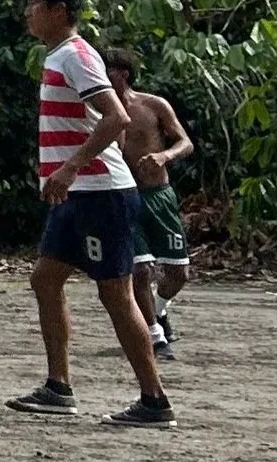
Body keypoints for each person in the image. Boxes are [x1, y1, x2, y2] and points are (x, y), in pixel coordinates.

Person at [5, 0, 174, 429]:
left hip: (100, 193)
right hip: (77, 195)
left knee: (115, 294)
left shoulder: (77, 55)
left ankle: (154, 400)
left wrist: (70, 165)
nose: (28, 13)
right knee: (45, 278)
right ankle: (58, 387)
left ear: (59, 10)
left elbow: (115, 117)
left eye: (35, 4)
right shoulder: (60, 56)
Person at [105, 47, 195, 361]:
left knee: (178, 272)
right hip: (125, 196)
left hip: (159, 196)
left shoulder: (153, 105)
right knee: (140, 268)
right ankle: (155, 336)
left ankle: (158, 310)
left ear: (123, 74)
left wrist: (164, 156)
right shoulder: (99, 110)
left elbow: (185, 141)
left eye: (108, 70)